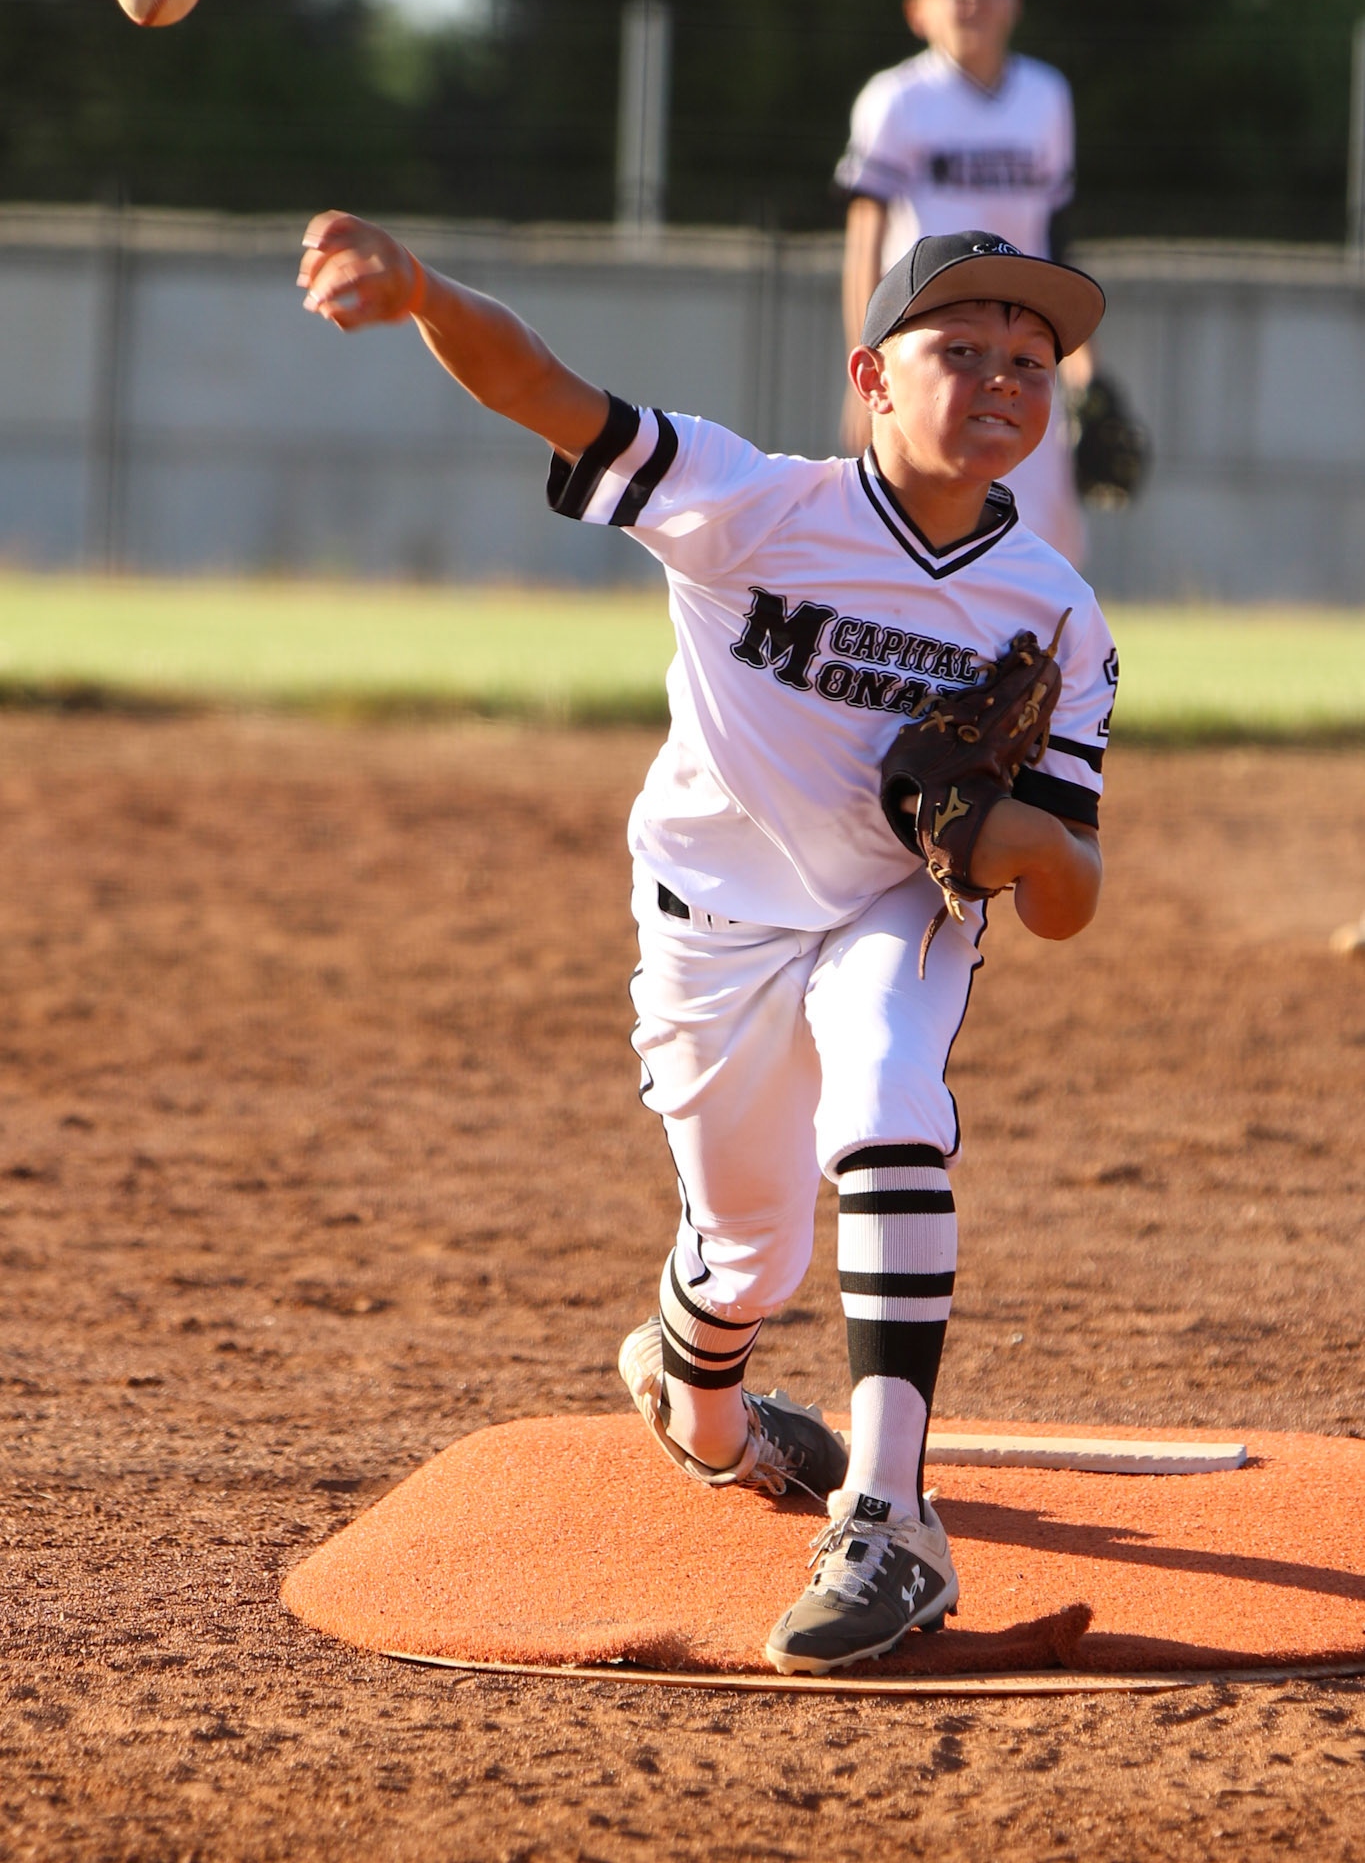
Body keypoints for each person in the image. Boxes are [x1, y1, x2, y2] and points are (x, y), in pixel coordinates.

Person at [296, 213, 1117, 1676]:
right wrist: (419, 290)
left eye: (1031, 359)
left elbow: (1066, 891)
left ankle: (889, 1522)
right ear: (870, 374)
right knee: (749, 1248)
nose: (1002, 377)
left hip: (890, 909)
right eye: (961, 349)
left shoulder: (1056, 610)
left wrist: (1022, 846)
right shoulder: (754, 503)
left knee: (884, 1104)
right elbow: (548, 391)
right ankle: (702, 1389)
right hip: (713, 925)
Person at [836, 0, 1093, 567]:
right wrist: (865, 361)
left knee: (1038, 533)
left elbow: (1056, 239)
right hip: (927, 337)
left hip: (1024, 335)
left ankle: (1036, 667)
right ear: (915, 9)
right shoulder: (895, 99)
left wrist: (1085, 368)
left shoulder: (1045, 96)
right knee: (913, 522)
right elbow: (864, 238)